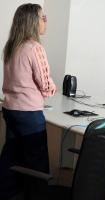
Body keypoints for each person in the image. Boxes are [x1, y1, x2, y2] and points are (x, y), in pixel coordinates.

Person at [0, 4, 56, 199]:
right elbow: (46, 85)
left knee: (11, 154)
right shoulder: (35, 48)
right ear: (32, 21)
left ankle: (7, 193)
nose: (45, 21)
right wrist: (52, 89)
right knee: (37, 160)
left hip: (9, 109)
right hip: (29, 114)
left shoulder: (10, 46)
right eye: (42, 17)